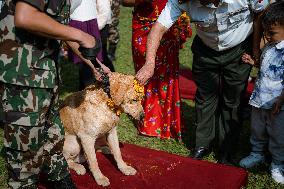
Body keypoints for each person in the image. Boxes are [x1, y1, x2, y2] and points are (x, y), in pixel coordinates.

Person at [135, 0, 269, 164]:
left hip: (239, 48)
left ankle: (226, 148)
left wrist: (256, 46)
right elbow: (158, 28)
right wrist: (149, 64)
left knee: (232, 100)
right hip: (206, 49)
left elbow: (261, 12)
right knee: (205, 98)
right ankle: (202, 145)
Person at [0, 0, 101, 188]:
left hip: (45, 72)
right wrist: (81, 35)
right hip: (22, 73)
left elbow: (55, 26)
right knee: (25, 150)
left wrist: (93, 64)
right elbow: (26, 16)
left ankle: (57, 175)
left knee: (53, 133)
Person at [122, 0, 191, 139]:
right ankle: (146, 120)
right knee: (145, 73)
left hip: (167, 25)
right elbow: (125, 1)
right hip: (143, 26)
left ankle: (167, 123)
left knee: (166, 75)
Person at [239, 1, 284, 184]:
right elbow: (266, 67)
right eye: (266, 32)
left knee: (278, 134)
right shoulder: (269, 47)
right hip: (259, 99)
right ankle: (256, 153)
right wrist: (253, 62)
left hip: (278, 104)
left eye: (272, 33)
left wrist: (281, 99)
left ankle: (278, 163)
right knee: (257, 129)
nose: (267, 36)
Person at [68, 0, 110, 90]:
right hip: (77, 21)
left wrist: (96, 65)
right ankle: (86, 90)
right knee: (83, 68)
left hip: (90, 20)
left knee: (88, 66)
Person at [97, 0, 115, 72]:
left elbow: (104, 9)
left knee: (101, 55)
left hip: (100, 23)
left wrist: (96, 27)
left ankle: (112, 76)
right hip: (97, 23)